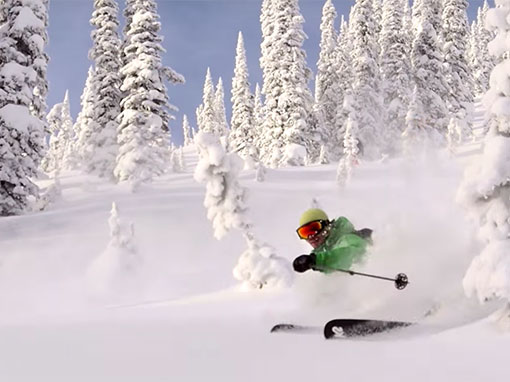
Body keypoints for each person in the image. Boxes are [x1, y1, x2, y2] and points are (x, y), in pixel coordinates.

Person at [293, 208, 372, 273]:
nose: (311, 237)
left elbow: (349, 254)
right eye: (305, 232)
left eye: (314, 229)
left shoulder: (347, 238)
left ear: (326, 225)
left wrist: (317, 260)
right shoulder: (322, 253)